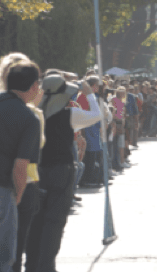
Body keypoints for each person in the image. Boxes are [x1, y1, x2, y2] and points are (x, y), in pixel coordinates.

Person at [26, 73, 102, 272]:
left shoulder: (34, 112)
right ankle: (47, 266)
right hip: (61, 170)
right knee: (54, 221)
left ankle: (32, 265)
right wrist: (89, 94)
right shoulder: (69, 114)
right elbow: (96, 115)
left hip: (38, 171)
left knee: (36, 220)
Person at [0, 60, 41, 272]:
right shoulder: (29, 118)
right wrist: (17, 197)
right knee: (5, 257)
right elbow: (21, 165)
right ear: (34, 86)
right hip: (3, 189)